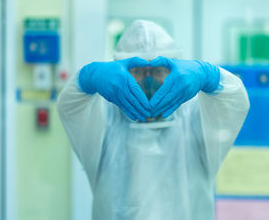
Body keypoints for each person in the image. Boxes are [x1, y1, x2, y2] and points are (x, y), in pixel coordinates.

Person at [57, 20, 250, 220]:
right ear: (122, 72)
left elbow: (234, 102)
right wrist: (87, 78)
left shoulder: (194, 119)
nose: (148, 80)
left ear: (173, 70)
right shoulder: (104, 120)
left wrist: (209, 75)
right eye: (138, 71)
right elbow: (70, 106)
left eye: (158, 70)